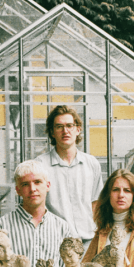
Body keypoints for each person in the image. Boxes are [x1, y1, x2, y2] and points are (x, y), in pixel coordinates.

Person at [34, 105, 103, 250]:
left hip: (89, 242)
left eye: (69, 125)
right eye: (59, 126)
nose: (65, 131)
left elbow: (96, 203)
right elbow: (35, 206)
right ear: (52, 132)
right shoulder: (40, 165)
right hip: (55, 244)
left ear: (78, 129)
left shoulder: (91, 164)